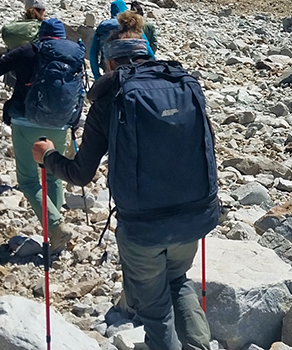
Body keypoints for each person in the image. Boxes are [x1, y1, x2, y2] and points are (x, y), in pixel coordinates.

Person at [32, 31, 216, 350]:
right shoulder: (180, 84)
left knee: (155, 309)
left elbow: (80, 173)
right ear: (146, 54)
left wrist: (47, 156)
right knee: (178, 281)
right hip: (193, 216)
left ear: (110, 63)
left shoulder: (111, 97)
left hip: (143, 226)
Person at [0, 17, 84, 252]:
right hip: (59, 125)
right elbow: (80, 91)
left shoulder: (27, 51)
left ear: (40, 35)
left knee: (29, 181)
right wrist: (73, 123)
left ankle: (55, 226)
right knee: (53, 176)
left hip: (25, 122)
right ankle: (55, 229)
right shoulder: (74, 54)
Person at [89, 0, 129, 79]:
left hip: (108, 67)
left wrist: (96, 75)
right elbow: (146, 47)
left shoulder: (103, 26)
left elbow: (93, 52)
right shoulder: (130, 25)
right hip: (129, 69)